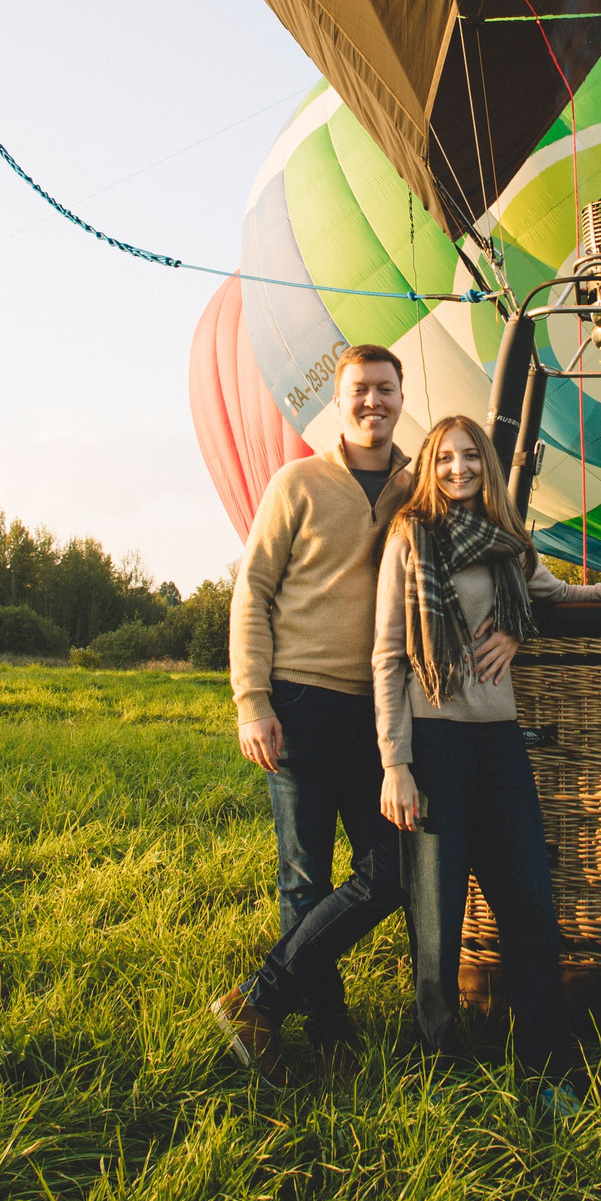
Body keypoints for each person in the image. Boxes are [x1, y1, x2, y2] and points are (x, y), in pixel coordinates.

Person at [373, 413, 601, 1109]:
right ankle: (437, 1062)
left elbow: (560, 597)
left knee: (530, 905)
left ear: (487, 463)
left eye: (469, 457)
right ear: (429, 465)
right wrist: (396, 762)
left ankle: (548, 1064)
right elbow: (388, 656)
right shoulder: (408, 539)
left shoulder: (510, 546)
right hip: (434, 744)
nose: (457, 469)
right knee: (437, 913)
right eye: (445, 458)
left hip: (500, 743)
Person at [212, 344, 418, 1081]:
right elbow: (253, 592)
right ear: (340, 401)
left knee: (389, 871)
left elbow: (494, 547)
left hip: (376, 710)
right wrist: (253, 701)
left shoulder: (416, 486)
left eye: (385, 389)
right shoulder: (295, 482)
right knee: (305, 875)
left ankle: (258, 997)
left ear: (402, 395)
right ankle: (331, 1035)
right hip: (299, 700)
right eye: (359, 389)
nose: (373, 401)